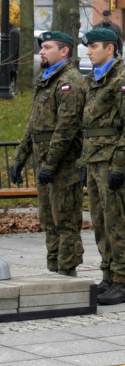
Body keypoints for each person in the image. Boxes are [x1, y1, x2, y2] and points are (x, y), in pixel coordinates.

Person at [8, 31, 87, 276]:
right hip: (44, 161)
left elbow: (66, 128)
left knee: (65, 222)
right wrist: (19, 159)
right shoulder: (46, 78)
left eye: (47, 47)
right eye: (41, 47)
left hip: (62, 164)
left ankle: (67, 272)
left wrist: (50, 164)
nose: (41, 51)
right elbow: (34, 125)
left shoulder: (71, 81)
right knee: (49, 220)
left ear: (64, 51)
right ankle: (54, 269)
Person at [81, 28, 125, 304]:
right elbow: (91, 125)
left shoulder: (122, 79)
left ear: (110, 49)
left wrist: (120, 165)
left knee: (116, 223)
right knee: (100, 222)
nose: (89, 51)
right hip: (95, 160)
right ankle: (108, 275)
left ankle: (122, 281)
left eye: (94, 46)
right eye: (88, 47)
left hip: (112, 161)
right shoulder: (97, 78)